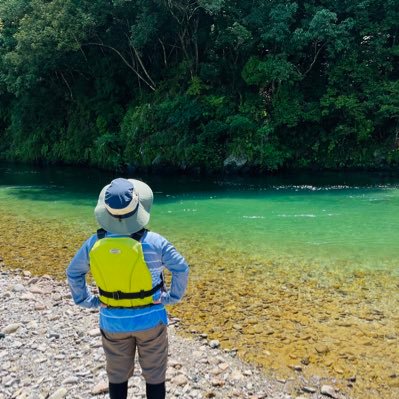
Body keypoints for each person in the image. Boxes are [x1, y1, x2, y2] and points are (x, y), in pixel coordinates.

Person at [66, 177, 189, 399]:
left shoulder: (94, 242)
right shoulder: (155, 241)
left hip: (113, 321)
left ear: (107, 211)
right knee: (155, 376)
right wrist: (170, 297)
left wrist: (89, 301)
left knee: (117, 376)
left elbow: (73, 272)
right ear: (138, 208)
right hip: (152, 319)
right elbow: (181, 268)